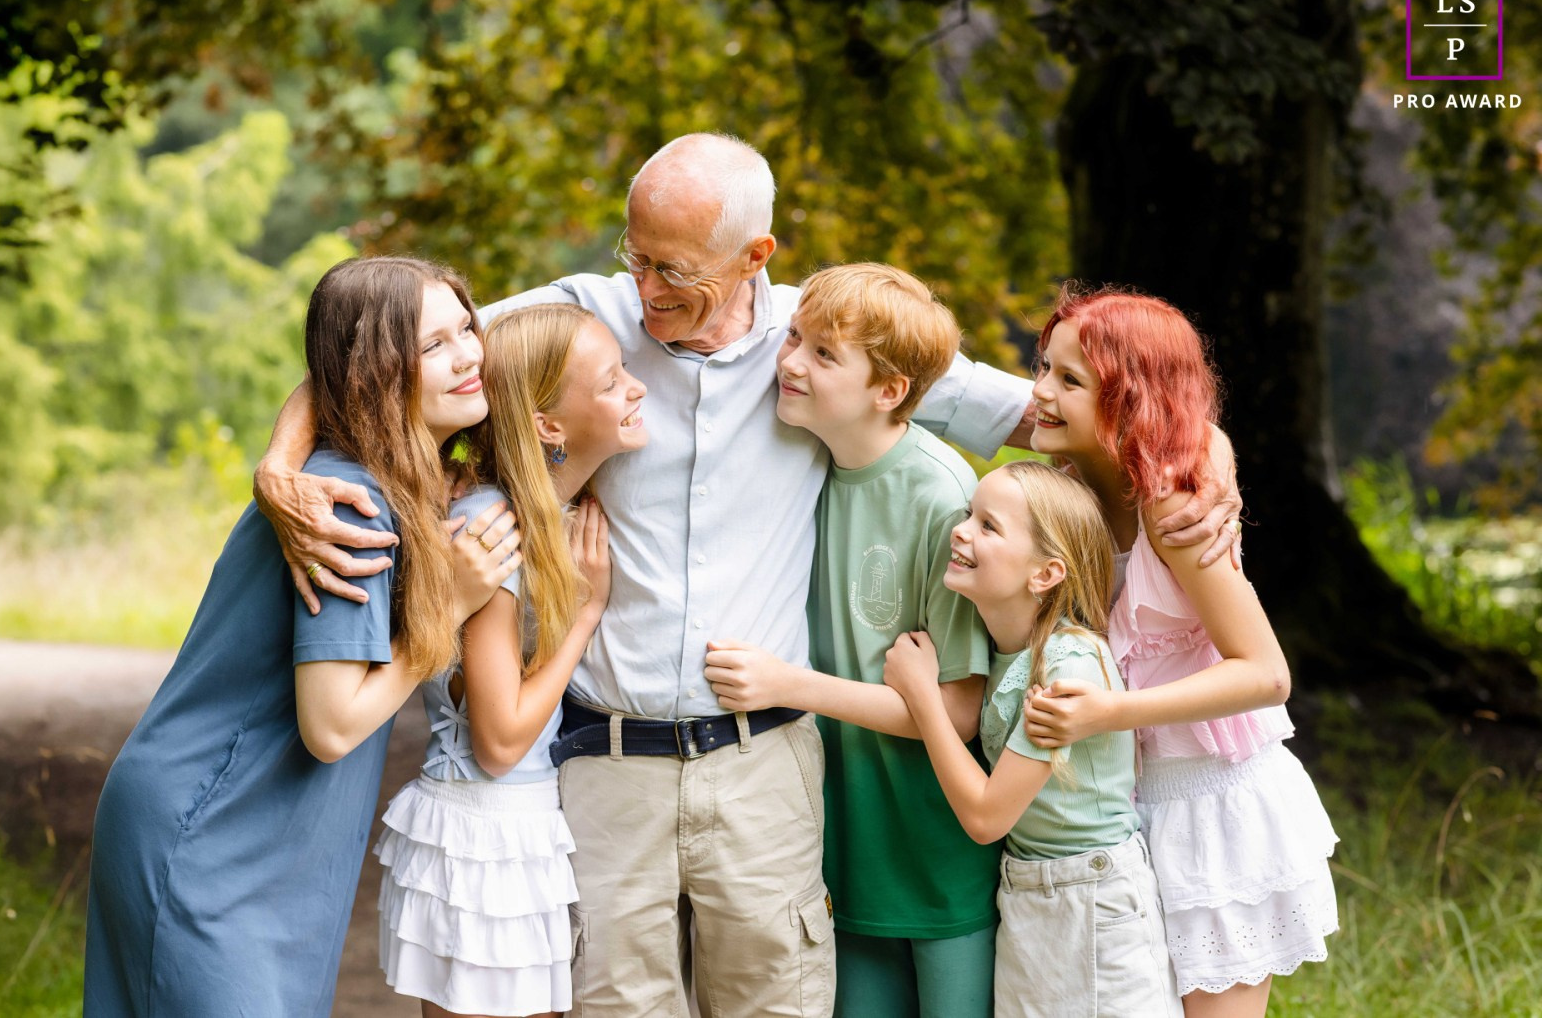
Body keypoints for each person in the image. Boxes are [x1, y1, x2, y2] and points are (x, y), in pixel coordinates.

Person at [252, 134, 1241, 1016]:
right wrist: (278, 461)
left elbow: (1071, 411)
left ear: (755, 257)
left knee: (775, 998)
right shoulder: (580, 322)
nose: (644, 291)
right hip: (605, 760)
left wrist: (1212, 465)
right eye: (633, 257)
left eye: (673, 270)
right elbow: (379, 352)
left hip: (761, 764)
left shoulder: (828, 343)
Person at [84, 256, 523, 1017]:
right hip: (208, 831)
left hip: (268, 840)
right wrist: (450, 606)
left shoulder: (390, 480)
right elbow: (331, 724)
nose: (468, 356)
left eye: (467, 330)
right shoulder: (344, 505)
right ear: (373, 376)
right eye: (433, 346)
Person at [1019, 287, 1339, 1017]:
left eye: (1069, 380)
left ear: (1130, 401)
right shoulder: (1070, 493)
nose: (1039, 391)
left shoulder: (1175, 509)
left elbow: (1266, 674)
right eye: (1043, 368)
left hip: (1212, 803)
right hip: (1124, 808)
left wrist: (1110, 713)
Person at [701, 263, 998, 1018]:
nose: (790, 362)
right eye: (793, 338)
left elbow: (959, 710)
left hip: (935, 846)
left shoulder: (943, 495)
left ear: (889, 390)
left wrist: (787, 685)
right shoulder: (799, 468)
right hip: (839, 846)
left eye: (824, 355)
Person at [375, 303, 643, 1017]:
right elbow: (498, 741)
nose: (637, 390)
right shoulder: (491, 528)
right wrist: (584, 616)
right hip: (484, 830)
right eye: (615, 380)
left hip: (519, 826)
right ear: (549, 425)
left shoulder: (535, 512)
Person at [884, 460, 1182, 1017]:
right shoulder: (1001, 651)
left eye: (988, 526)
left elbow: (986, 817)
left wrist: (925, 698)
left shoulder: (1066, 664)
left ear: (1045, 574)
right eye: (968, 514)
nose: (961, 530)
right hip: (1029, 895)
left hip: (1091, 902)